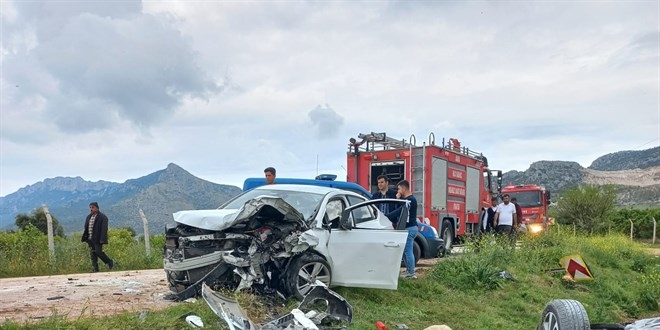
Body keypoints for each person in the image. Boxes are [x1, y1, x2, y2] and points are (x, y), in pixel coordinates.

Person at [386, 180, 418, 279]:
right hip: (409, 228)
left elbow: (399, 211)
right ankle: (409, 271)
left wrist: (386, 216)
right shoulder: (407, 200)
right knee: (405, 250)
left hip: (410, 228)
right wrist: (397, 199)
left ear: (404, 188)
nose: (398, 191)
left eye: (399, 189)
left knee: (408, 251)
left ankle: (411, 273)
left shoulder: (410, 200)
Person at [81, 202, 114, 272]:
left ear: (97, 208)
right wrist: (86, 237)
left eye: (92, 207)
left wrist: (102, 239)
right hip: (90, 239)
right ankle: (95, 268)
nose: (91, 209)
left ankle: (109, 262)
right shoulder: (88, 217)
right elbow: (86, 227)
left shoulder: (103, 217)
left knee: (98, 252)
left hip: (98, 239)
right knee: (92, 254)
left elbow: (104, 229)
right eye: (90, 207)